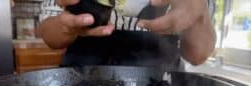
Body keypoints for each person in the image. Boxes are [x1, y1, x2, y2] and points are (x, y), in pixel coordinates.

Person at [39, 0, 216, 71]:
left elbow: (198, 55)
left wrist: (199, 14)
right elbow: (49, 35)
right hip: (79, 85)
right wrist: (67, 26)